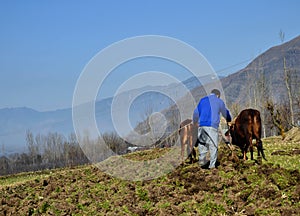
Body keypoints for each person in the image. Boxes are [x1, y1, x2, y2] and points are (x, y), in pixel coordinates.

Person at [193, 89, 231, 169]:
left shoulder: (202, 100)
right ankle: (212, 166)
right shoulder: (219, 101)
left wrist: (195, 121)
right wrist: (229, 119)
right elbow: (225, 112)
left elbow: (196, 112)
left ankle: (201, 162)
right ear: (218, 95)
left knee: (202, 143)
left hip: (201, 125)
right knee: (213, 145)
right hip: (212, 126)